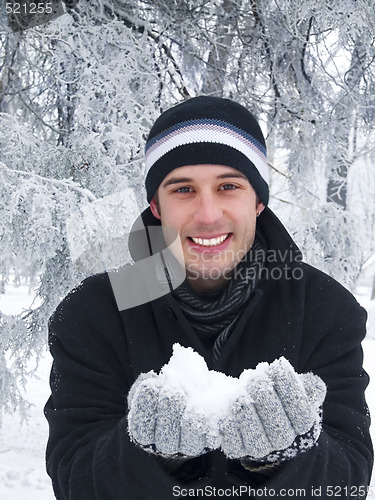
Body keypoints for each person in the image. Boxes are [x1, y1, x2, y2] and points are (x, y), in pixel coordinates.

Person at [44, 96, 373, 499]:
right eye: (183, 189)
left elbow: (349, 480)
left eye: (229, 186)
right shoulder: (95, 313)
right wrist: (152, 457)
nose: (208, 214)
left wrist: (284, 458)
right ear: (156, 206)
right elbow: (75, 480)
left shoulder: (324, 309)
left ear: (258, 201)